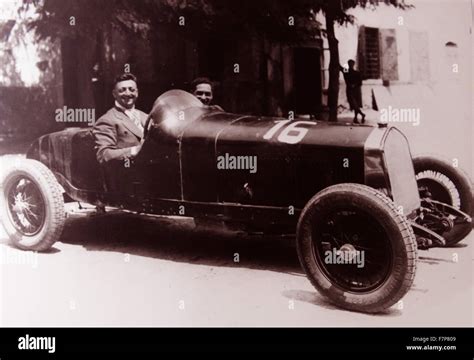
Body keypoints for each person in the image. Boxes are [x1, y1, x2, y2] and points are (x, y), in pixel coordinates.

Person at [93, 73, 148, 164]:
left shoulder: (145, 116)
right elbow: (104, 154)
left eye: (131, 90)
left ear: (137, 92)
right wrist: (136, 150)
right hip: (130, 173)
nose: (127, 93)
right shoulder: (107, 120)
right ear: (114, 94)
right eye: (122, 90)